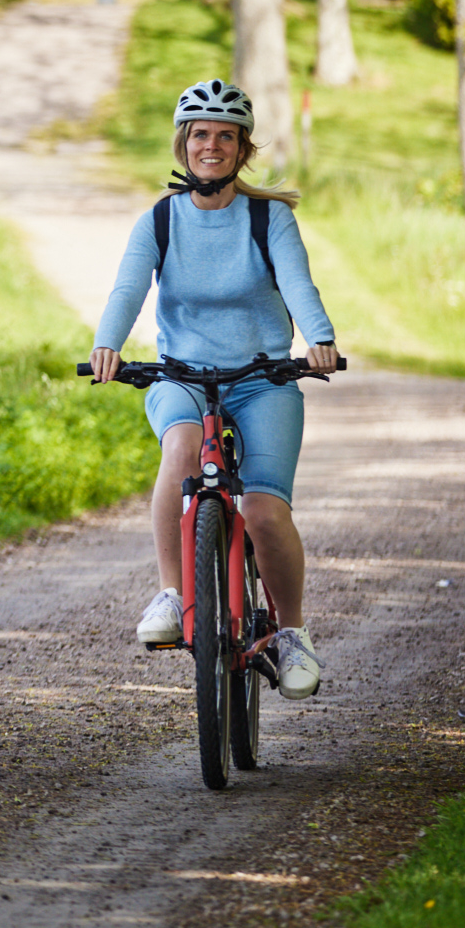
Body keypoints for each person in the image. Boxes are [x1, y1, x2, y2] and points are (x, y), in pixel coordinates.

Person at [89, 79, 342, 697]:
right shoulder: (160, 218)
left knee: (261, 508)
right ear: (183, 144)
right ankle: (174, 594)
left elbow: (298, 284)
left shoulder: (268, 218)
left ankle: (291, 634)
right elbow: (129, 289)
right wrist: (107, 344)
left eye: (225, 136)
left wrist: (320, 338)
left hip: (264, 381)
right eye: (201, 134)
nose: (212, 145)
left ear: (242, 149)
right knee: (178, 454)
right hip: (183, 377)